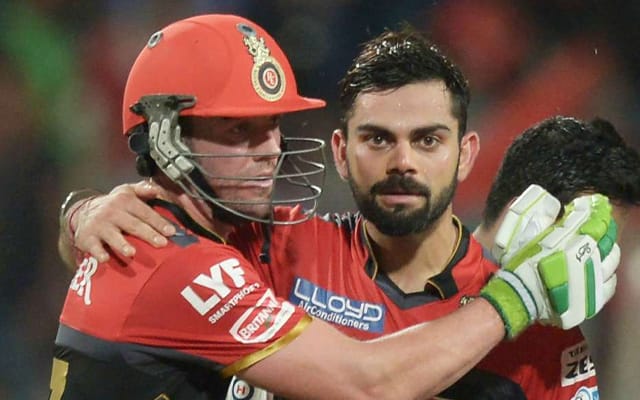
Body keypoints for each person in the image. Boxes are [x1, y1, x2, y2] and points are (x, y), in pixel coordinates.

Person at [53, 21, 620, 399]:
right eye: (378, 139)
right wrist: (518, 296)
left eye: (427, 140)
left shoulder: (538, 336)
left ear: (466, 153)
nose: (403, 162)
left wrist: (78, 214)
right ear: (341, 153)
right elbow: (369, 384)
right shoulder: (269, 248)